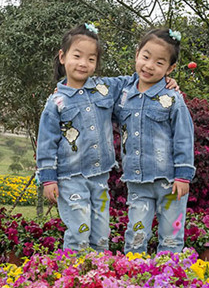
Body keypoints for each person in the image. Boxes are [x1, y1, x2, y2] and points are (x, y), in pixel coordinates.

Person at [37, 24, 179, 252]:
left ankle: (98, 279)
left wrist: (165, 83)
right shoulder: (56, 103)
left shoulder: (105, 88)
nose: (83, 63)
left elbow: (140, 78)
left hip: (99, 177)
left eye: (91, 59)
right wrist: (48, 179)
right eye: (77, 56)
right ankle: (73, 277)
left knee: (102, 234)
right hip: (70, 177)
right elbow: (46, 143)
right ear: (63, 57)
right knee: (79, 231)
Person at [114, 28, 195, 255]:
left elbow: (184, 138)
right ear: (137, 53)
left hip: (170, 182)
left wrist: (183, 175)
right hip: (137, 181)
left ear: (170, 69)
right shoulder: (123, 95)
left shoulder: (172, 99)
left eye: (159, 63)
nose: (149, 66)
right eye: (146, 57)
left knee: (171, 239)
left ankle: (168, 283)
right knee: (135, 238)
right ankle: (133, 285)